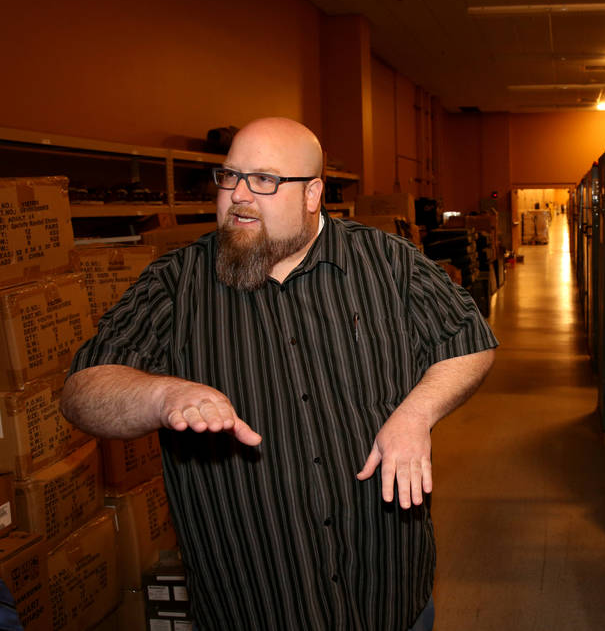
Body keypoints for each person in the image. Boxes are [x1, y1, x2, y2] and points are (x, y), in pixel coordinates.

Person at [61, 117, 497, 631]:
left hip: (388, 594)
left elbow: (469, 340)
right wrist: (161, 393)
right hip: (252, 604)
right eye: (230, 177)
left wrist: (416, 413)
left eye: (264, 180)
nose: (239, 197)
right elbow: (82, 388)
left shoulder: (388, 264)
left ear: (312, 194)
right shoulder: (177, 284)